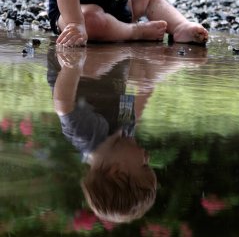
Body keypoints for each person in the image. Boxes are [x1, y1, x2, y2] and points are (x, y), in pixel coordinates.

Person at [48, 43, 208, 223]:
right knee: (145, 36)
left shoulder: (86, 135)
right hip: (110, 56)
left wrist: (71, 65)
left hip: (77, 52)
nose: (147, 156)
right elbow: (144, 92)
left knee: (108, 24)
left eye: (144, 166)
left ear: (117, 171)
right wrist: (149, 74)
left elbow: (62, 105)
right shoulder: (124, 132)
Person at [48, 0, 209, 46]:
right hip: (72, 10)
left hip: (118, 4)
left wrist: (146, 86)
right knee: (91, 19)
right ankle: (135, 32)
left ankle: (180, 26)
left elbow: (131, 114)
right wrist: (75, 22)